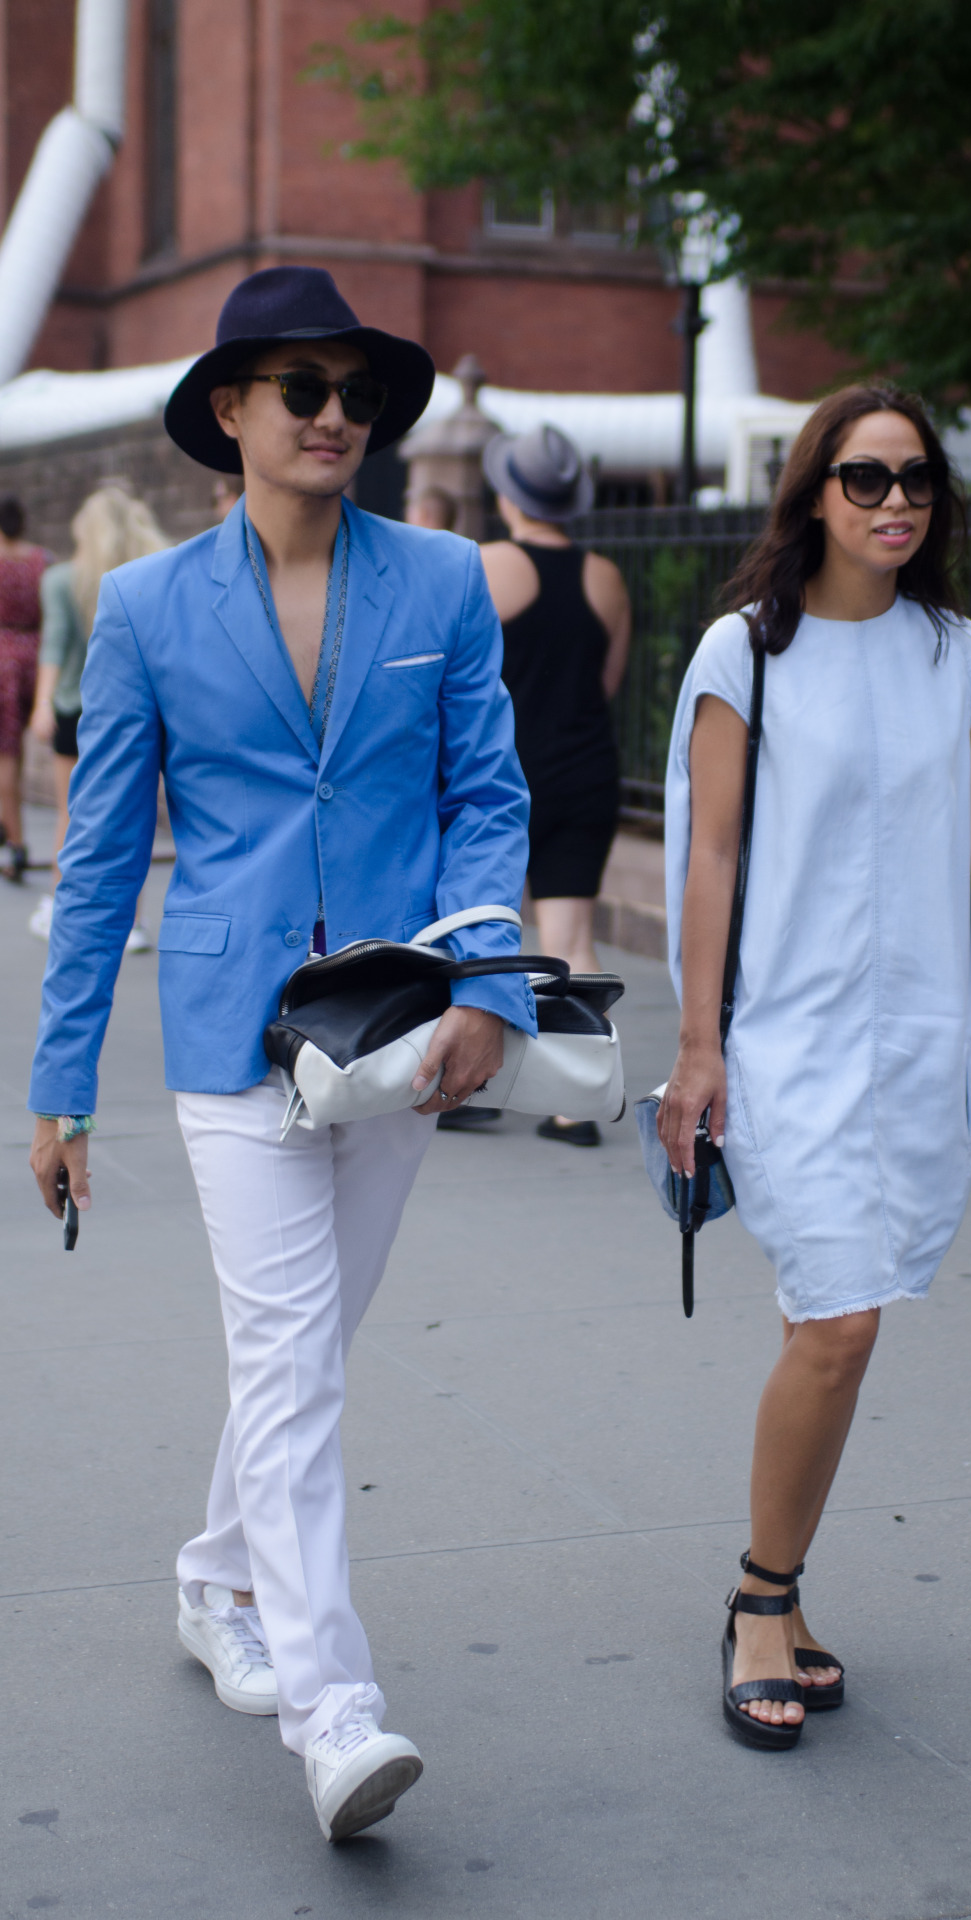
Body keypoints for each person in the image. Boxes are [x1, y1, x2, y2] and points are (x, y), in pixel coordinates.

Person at [27, 265, 534, 1839]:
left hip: (398, 1030)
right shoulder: (151, 609)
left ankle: (211, 1578)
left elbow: (488, 801)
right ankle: (336, 1714)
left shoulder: (442, 582)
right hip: (229, 1038)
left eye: (357, 393)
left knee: (302, 1353)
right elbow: (102, 859)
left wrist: (491, 992)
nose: (334, 415)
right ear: (232, 414)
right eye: (301, 389)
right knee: (291, 1358)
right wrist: (57, 1083)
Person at [657, 385, 971, 1751]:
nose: (895, 502)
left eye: (916, 478)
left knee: (848, 1323)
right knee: (840, 1317)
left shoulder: (956, 650)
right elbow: (715, 859)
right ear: (813, 493)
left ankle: (784, 1585)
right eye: (864, 479)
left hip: (917, 1028)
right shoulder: (742, 656)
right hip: (787, 1036)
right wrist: (699, 1048)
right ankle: (759, 1599)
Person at [475, 423, 630, 1146]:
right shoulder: (605, 577)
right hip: (586, 770)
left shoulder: (490, 564)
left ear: (509, 493)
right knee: (571, 938)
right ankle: (578, 1102)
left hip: (503, 777)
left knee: (476, 929)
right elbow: (606, 683)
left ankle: (461, 1082)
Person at [29, 485, 170, 946]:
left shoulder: (63, 579)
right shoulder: (153, 573)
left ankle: (59, 909)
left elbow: (54, 646)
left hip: (75, 707)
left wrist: (42, 704)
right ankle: (133, 924)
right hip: (143, 711)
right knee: (139, 815)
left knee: (70, 815)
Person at [0, 496, 52, 884]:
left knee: (6, 758)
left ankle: (15, 845)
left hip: (1, 658)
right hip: (35, 655)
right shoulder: (41, 560)